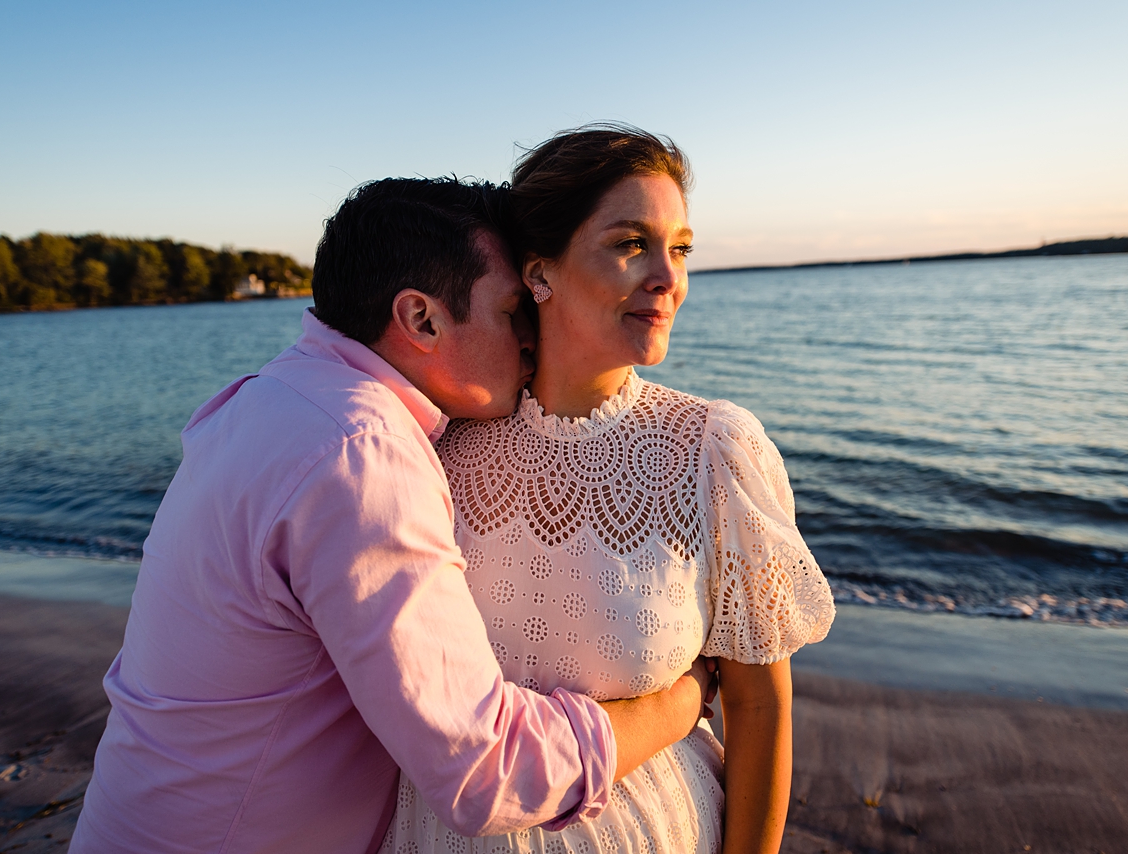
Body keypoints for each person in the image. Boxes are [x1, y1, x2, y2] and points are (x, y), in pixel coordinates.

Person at [70, 177, 715, 854]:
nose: (532, 338)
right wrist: (678, 703)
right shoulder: (363, 456)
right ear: (421, 320)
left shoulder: (266, 399)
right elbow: (484, 770)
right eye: (510, 311)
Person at [382, 127, 837, 854]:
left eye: (680, 248)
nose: (668, 277)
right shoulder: (433, 447)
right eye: (631, 244)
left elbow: (759, 705)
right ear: (540, 273)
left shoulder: (714, 448)